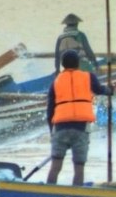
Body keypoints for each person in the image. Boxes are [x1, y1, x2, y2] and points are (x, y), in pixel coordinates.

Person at [46, 50, 112, 185]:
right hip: (81, 128)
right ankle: (76, 194)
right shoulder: (88, 77)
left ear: (63, 65)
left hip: (60, 128)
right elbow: (100, 90)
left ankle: (49, 192)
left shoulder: (56, 82)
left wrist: (52, 132)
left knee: (56, 166)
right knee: (79, 167)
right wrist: (110, 90)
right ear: (78, 63)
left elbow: (50, 111)